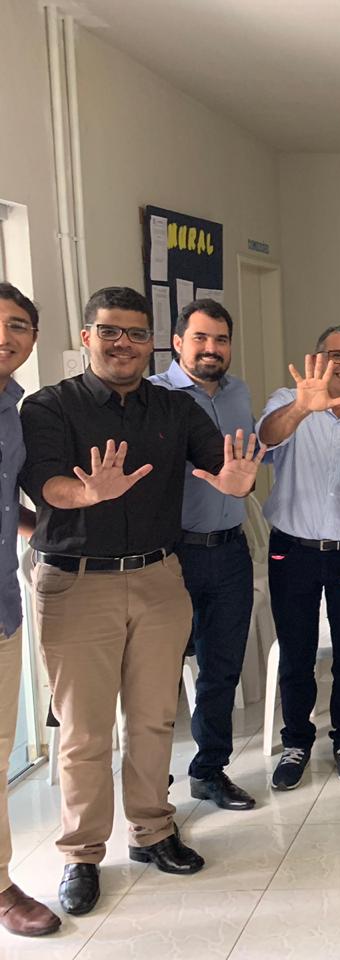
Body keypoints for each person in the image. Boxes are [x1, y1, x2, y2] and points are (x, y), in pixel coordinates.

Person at [20, 285, 262, 917]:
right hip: (76, 583)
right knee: (84, 730)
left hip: (158, 577)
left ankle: (152, 830)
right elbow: (43, 482)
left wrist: (236, 480)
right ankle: (81, 853)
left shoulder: (174, 406)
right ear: (86, 337)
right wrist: (87, 495)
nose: (122, 343)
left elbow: (218, 463)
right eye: (109, 331)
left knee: (154, 719)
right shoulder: (50, 405)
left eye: (134, 333)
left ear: (152, 342)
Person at [256, 328, 340, 790]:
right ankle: (296, 743)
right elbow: (265, 440)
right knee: (296, 653)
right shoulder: (287, 402)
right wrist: (302, 408)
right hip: (293, 551)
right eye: (336, 354)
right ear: (318, 358)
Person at [150, 298, 257, 812]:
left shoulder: (239, 393)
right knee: (157, 676)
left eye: (221, 339)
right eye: (200, 338)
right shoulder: (153, 396)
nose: (211, 348)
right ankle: (151, 788)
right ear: (177, 342)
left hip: (230, 550)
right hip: (173, 557)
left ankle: (209, 771)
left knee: (221, 668)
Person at [0, 283, 58, 937]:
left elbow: (10, 497)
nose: (4, 337)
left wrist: (43, 529)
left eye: (17, 325)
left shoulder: (17, 409)